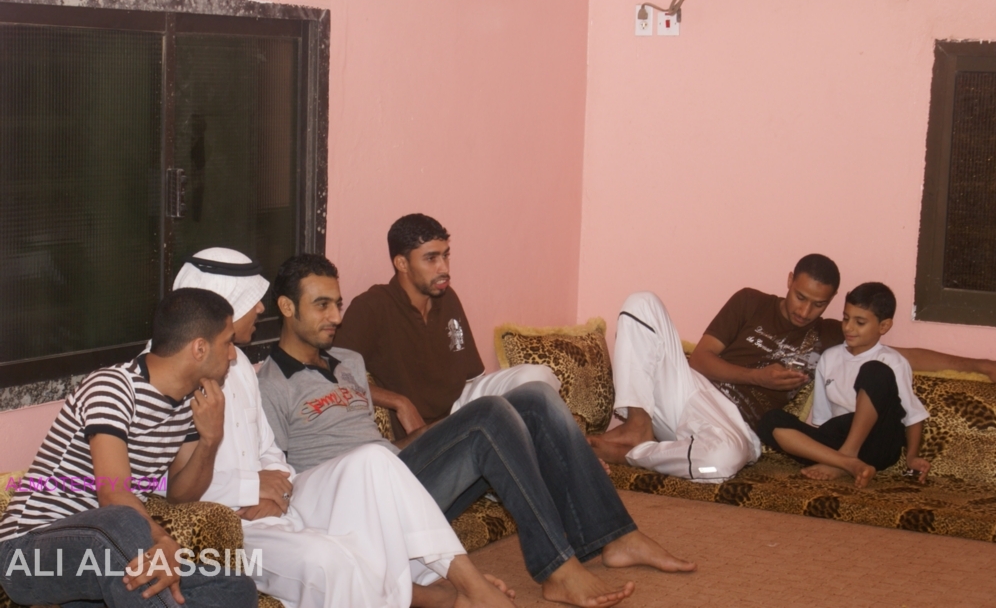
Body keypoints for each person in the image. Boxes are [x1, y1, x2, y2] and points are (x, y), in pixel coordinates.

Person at [258, 254, 697, 608]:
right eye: (322, 305)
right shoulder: (270, 386)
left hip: (399, 477)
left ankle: (615, 535)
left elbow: (382, 450)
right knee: (488, 415)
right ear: (287, 307)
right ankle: (556, 567)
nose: (336, 315)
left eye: (337, 303)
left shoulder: (348, 362)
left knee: (534, 398)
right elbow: (280, 478)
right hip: (354, 507)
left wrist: (442, 429)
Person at [168, 247, 516, 608]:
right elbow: (162, 486)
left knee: (374, 459)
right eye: (251, 299)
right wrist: (249, 488)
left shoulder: (239, 363)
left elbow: (269, 450)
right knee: (332, 559)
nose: (259, 308)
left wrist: (278, 490)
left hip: (283, 500)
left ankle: (466, 585)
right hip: (233, 524)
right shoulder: (174, 377)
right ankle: (445, 596)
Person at [589, 254, 996, 482]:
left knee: (722, 463)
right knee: (642, 303)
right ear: (789, 280)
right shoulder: (750, 301)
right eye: (800, 297)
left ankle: (636, 454)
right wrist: (757, 377)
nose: (805, 311)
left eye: (818, 304)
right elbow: (700, 359)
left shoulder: (831, 334)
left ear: (831, 302)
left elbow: (899, 355)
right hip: (692, 392)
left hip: (737, 428)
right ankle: (638, 424)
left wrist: (980, 365)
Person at [0, 288, 258, 608]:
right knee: (122, 523)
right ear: (200, 348)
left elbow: (180, 495)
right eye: (228, 342)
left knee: (236, 589)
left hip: (109, 561)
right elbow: (113, 493)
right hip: (27, 553)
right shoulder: (113, 387)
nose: (233, 354)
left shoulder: (190, 405)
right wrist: (162, 540)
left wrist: (210, 440)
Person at [332, 213, 561, 439]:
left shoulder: (447, 297)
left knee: (537, 377)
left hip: (463, 406)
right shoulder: (373, 306)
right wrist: (400, 402)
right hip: (432, 432)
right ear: (402, 263)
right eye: (431, 258)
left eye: (445, 255)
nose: (443, 268)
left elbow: (473, 378)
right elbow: (332, 372)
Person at [757, 283, 931, 489]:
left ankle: (845, 457)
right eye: (846, 318)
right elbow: (823, 420)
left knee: (874, 370)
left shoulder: (891, 360)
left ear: (883, 326)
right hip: (838, 438)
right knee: (769, 421)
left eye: (860, 322)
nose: (848, 328)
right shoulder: (829, 357)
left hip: (878, 442)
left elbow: (912, 416)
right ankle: (846, 463)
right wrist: (821, 445)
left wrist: (912, 457)